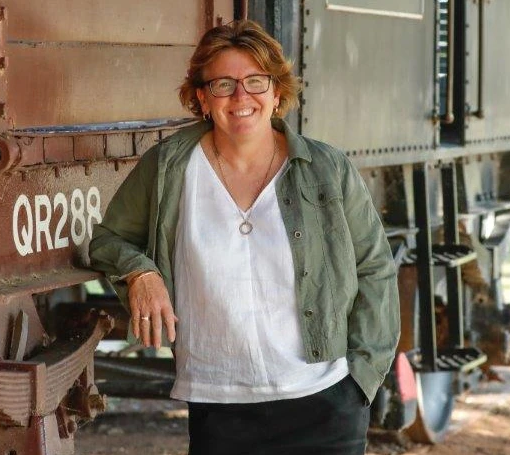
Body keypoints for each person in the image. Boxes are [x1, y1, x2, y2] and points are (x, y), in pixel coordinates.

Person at [89, 19, 399, 455]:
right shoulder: (169, 168)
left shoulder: (326, 168)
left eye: (255, 81)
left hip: (325, 400)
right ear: (201, 96)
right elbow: (108, 240)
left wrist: (361, 381)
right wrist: (141, 274)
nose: (241, 97)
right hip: (220, 406)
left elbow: (375, 266)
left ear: (276, 93)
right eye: (223, 84)